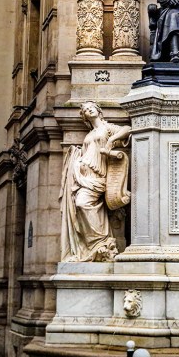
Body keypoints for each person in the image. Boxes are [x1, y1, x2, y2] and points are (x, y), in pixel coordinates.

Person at [59, 103, 131, 262]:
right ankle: (91, 246)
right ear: (84, 116)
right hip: (83, 176)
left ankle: (101, 240)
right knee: (78, 206)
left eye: (91, 107)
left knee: (82, 203)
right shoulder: (89, 134)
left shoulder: (107, 128)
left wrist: (112, 139)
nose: (88, 110)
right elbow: (87, 153)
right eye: (85, 110)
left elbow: (127, 129)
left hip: (98, 177)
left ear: (99, 111)